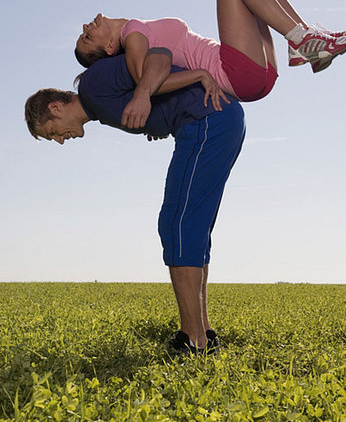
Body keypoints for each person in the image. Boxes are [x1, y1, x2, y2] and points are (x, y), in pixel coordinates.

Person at [25, 49, 246, 354]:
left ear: (55, 107)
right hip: (213, 120)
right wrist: (156, 122)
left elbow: (158, 57)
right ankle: (202, 332)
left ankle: (193, 339)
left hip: (207, 119)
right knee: (190, 226)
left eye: (53, 132)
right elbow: (153, 95)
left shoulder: (93, 85)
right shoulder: (101, 109)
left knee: (177, 225)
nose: (61, 140)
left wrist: (147, 95)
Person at [74, 0, 346, 127]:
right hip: (235, 73)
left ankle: (309, 46)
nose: (87, 27)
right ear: (110, 49)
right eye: (88, 37)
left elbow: (153, 76)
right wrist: (196, 77)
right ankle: (301, 41)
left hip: (256, 76)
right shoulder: (131, 34)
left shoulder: (137, 31)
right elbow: (144, 81)